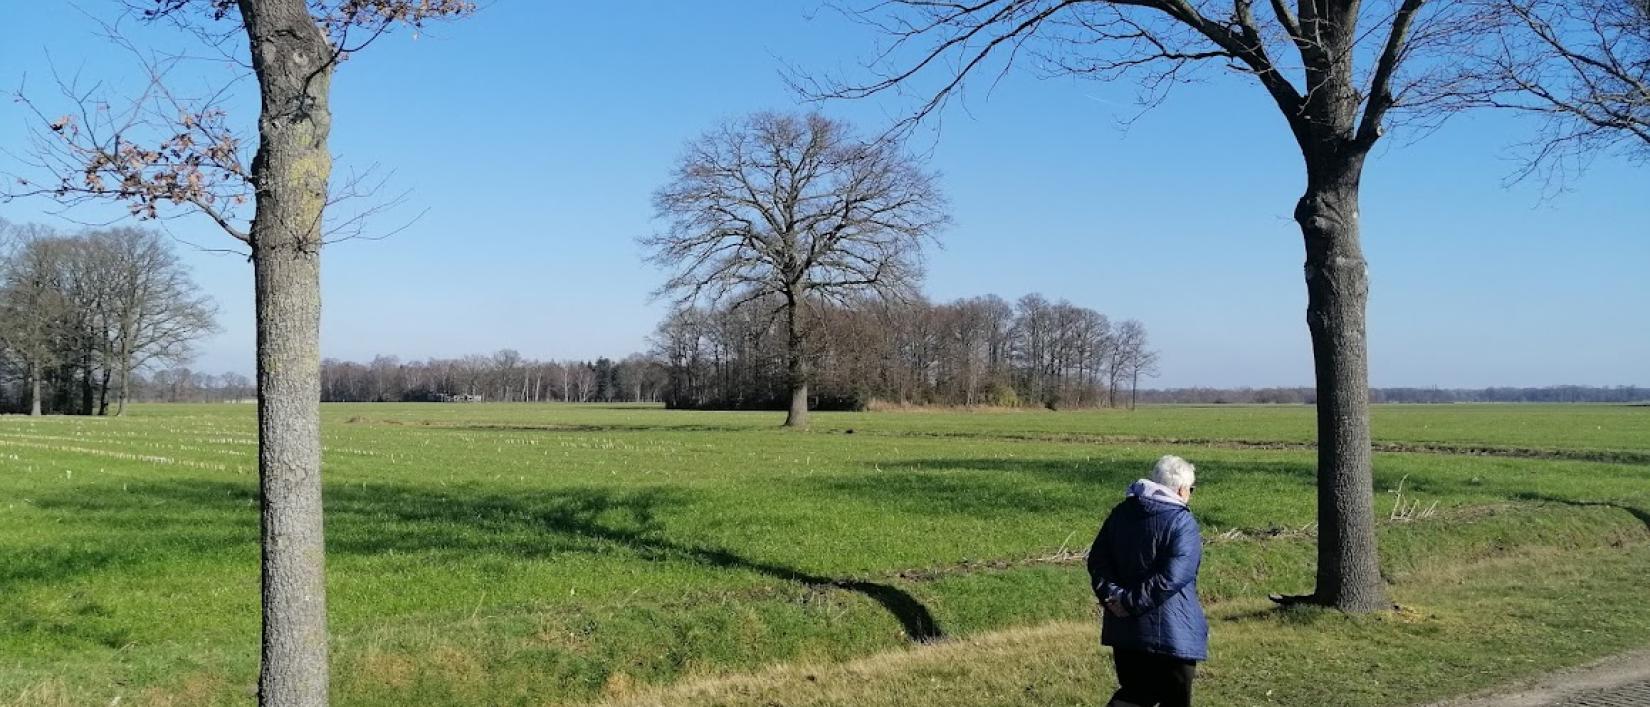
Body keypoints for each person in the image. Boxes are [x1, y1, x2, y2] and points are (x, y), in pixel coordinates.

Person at [1086, 455, 1208, 707]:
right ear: (1183, 490)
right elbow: (1173, 576)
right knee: (1172, 699)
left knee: (1134, 693)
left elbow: (1098, 560)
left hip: (1125, 630)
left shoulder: (1121, 513)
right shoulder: (1181, 521)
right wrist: (1130, 602)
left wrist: (1113, 597)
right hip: (1172, 634)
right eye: (1192, 489)